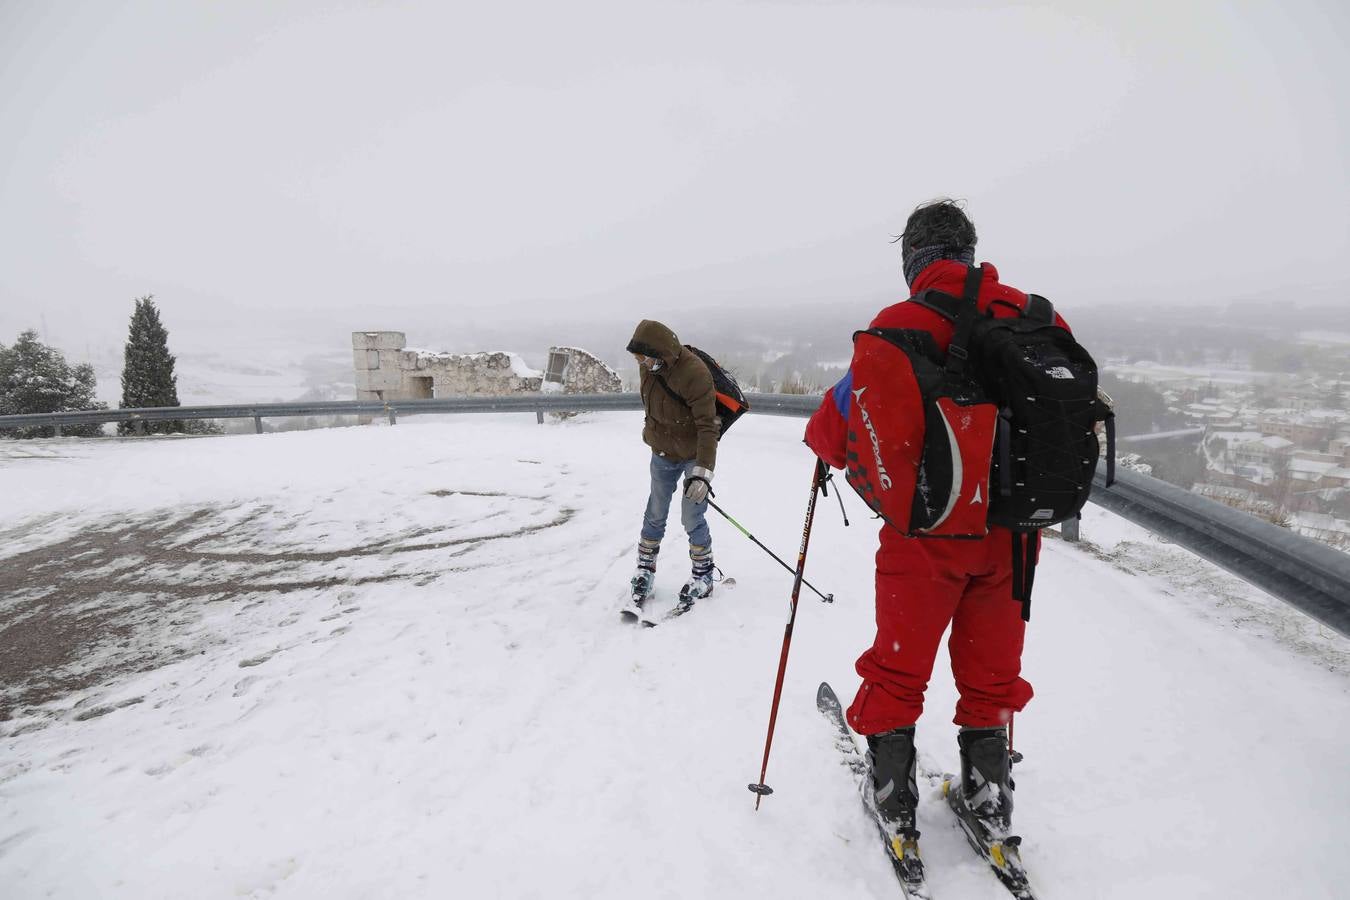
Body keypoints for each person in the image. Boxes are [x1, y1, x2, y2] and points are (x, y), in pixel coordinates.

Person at [804, 199, 1077, 844]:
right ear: (968, 251)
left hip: (926, 539)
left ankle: (895, 794)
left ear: (915, 262)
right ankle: (988, 792)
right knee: (991, 670)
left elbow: (836, 424)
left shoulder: (900, 324)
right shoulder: (1033, 317)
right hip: (1015, 540)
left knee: (900, 664)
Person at [625, 319, 720, 609]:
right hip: (663, 452)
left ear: (661, 352)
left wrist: (702, 476)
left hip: (693, 453)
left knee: (692, 516)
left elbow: (707, 426)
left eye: (644, 357)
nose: (640, 363)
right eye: (637, 358)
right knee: (655, 511)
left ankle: (703, 575)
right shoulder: (649, 367)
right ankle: (644, 569)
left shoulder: (695, 374)